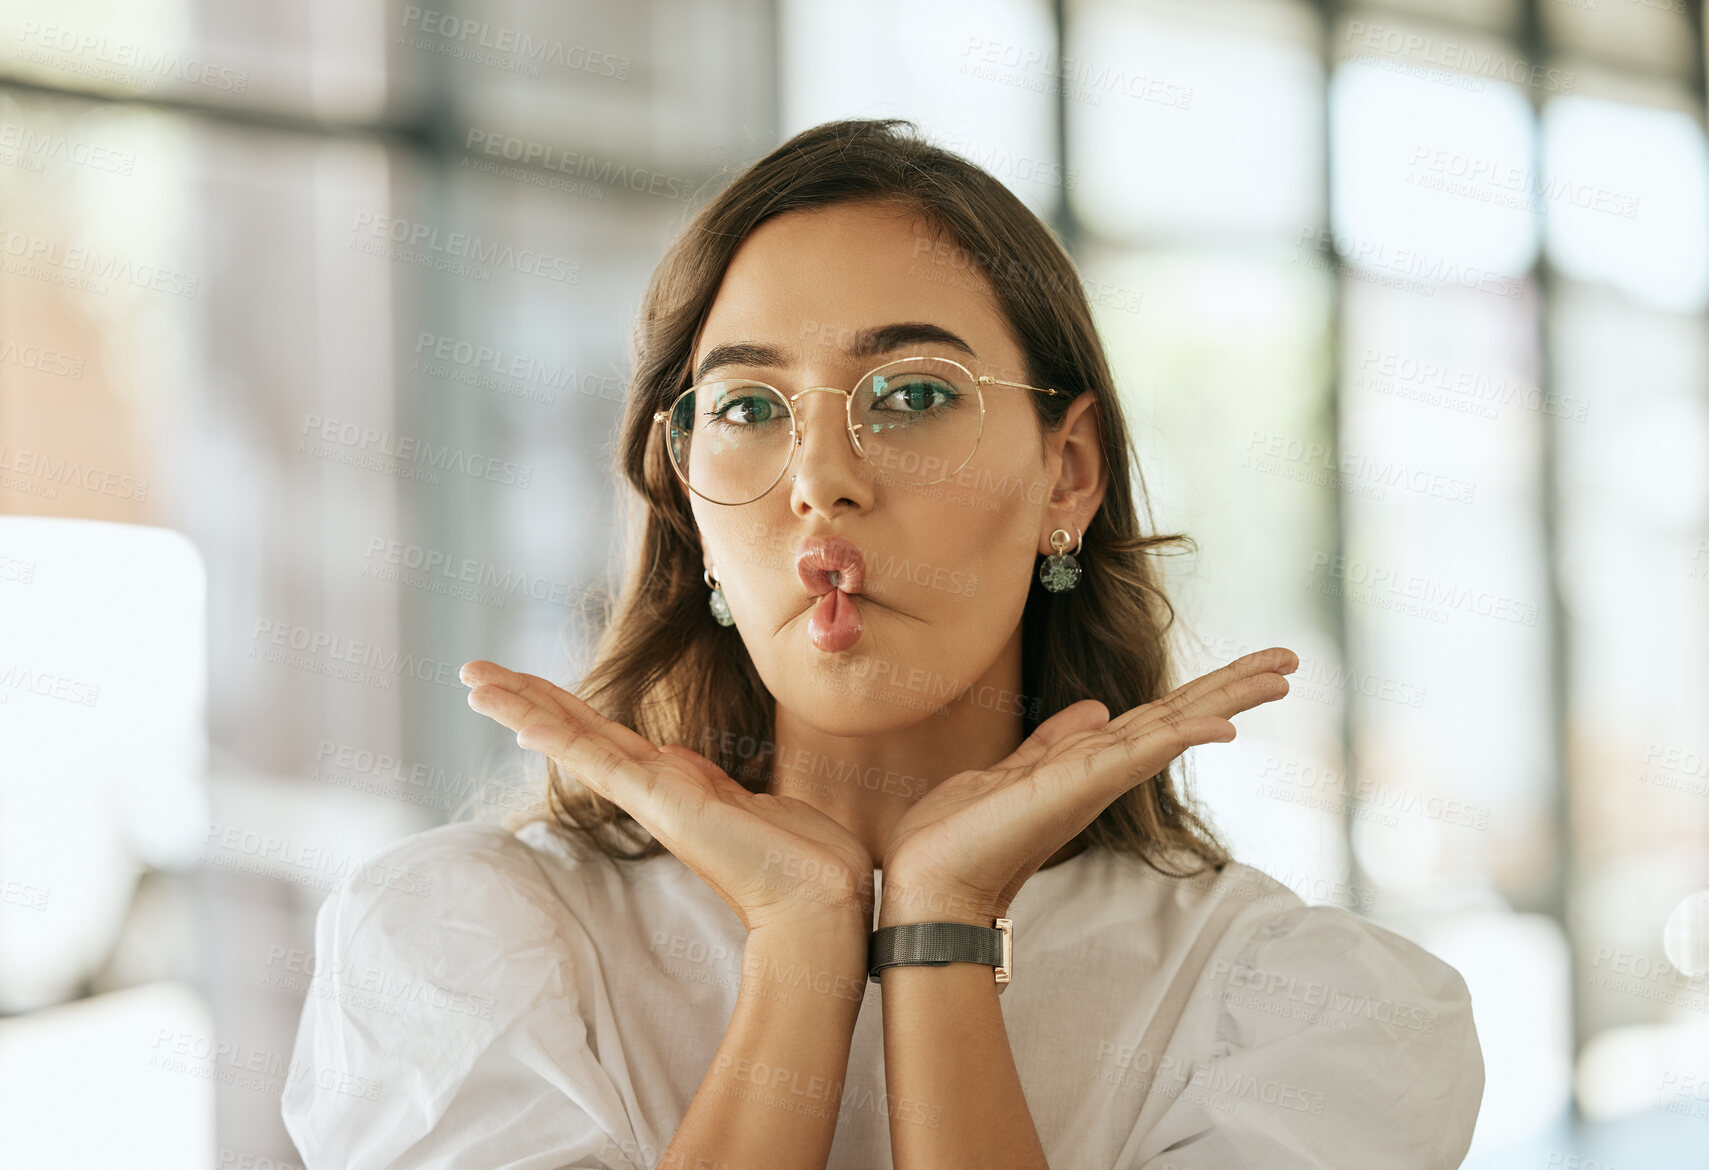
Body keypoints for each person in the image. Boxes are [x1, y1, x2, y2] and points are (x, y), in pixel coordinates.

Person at [282, 117, 1484, 1169]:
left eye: (911, 394)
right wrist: (801, 947)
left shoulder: (1300, 1012)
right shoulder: (463, 945)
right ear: (686, 499)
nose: (821, 482)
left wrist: (940, 933)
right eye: (749, 409)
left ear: (1065, 473)